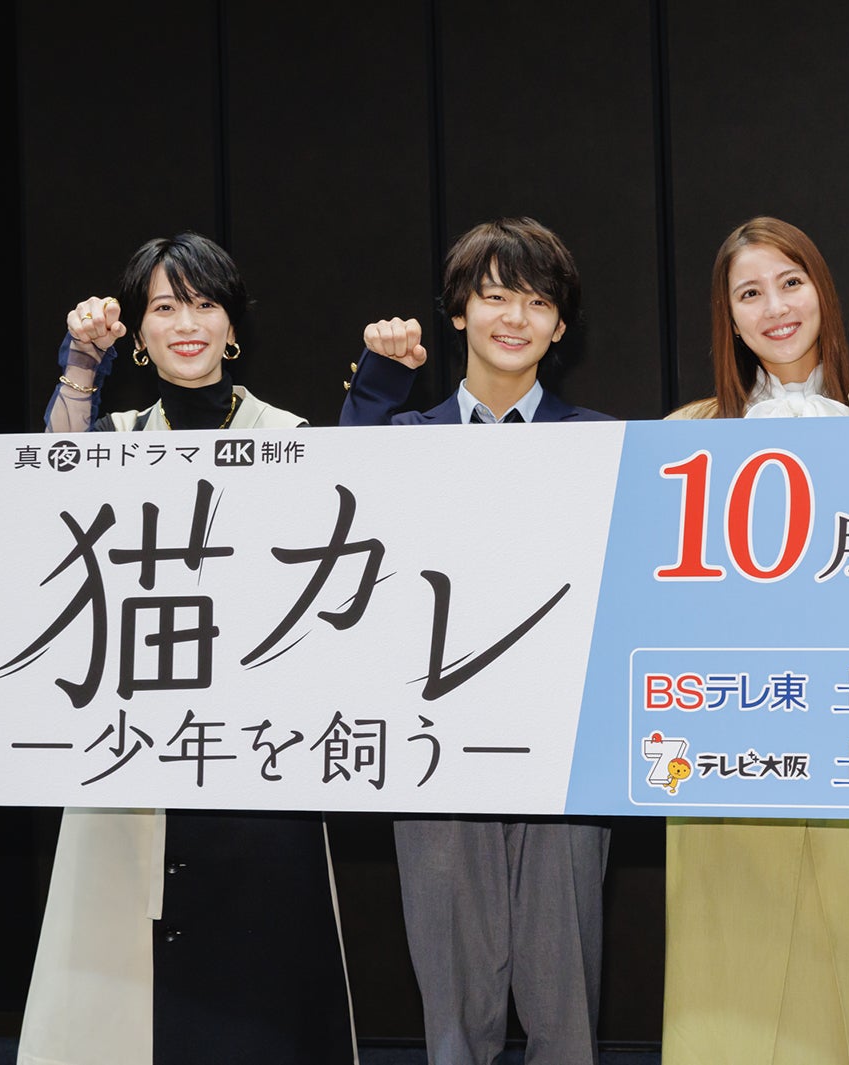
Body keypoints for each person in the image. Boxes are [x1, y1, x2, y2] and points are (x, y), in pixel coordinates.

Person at [21, 232, 357, 1065]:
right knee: (125, 1003)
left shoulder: (287, 434)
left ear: (232, 324)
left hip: (258, 755)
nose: (186, 323)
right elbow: (51, 487)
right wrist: (81, 362)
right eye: (165, 306)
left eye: (204, 304)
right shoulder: (117, 434)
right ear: (138, 331)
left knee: (260, 991)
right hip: (137, 749)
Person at [339, 217, 612, 1065]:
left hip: (564, 741)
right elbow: (337, 508)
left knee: (565, 991)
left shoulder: (602, 440)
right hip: (435, 739)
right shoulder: (404, 437)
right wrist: (378, 381)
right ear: (459, 310)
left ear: (560, 326)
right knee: (454, 997)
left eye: (537, 302)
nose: (514, 317)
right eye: (494, 295)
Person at [660, 216, 849, 1065]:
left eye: (790, 282)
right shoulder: (687, 432)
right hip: (728, 733)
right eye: (750, 292)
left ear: (821, 291)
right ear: (729, 319)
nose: (775, 307)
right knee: (727, 975)